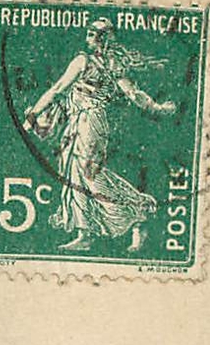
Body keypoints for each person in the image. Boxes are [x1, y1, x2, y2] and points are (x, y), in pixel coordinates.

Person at [22, 17, 178, 253]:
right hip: (85, 122)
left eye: (92, 34)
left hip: (89, 123)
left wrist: (33, 115)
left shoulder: (83, 61)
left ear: (103, 38)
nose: (88, 38)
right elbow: (135, 95)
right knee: (78, 174)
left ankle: (138, 213)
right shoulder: (111, 64)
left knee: (88, 175)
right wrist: (157, 108)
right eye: (89, 33)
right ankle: (87, 233)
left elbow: (57, 90)